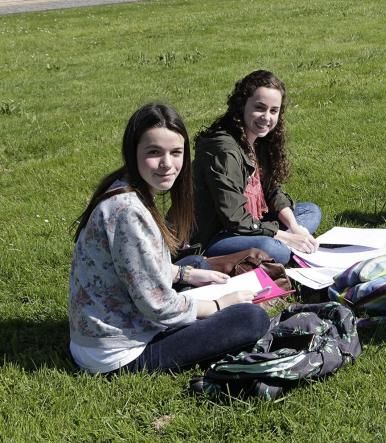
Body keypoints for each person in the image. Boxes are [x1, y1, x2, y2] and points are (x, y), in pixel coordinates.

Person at [69, 103, 270, 374]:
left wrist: (185, 274)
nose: (167, 164)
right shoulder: (128, 211)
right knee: (251, 318)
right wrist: (220, 304)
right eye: (154, 152)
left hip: (99, 336)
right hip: (119, 353)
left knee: (197, 264)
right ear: (133, 151)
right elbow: (159, 306)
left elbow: (136, 266)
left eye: (176, 153)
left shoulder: (123, 187)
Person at [193, 70, 321, 265]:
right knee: (274, 249)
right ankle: (285, 247)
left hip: (254, 224)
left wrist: (294, 228)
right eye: (260, 108)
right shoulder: (224, 151)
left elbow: (270, 190)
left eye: (273, 111)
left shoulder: (259, 139)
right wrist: (284, 236)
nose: (266, 117)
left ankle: (289, 243)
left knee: (310, 211)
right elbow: (234, 218)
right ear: (242, 105)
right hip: (220, 235)